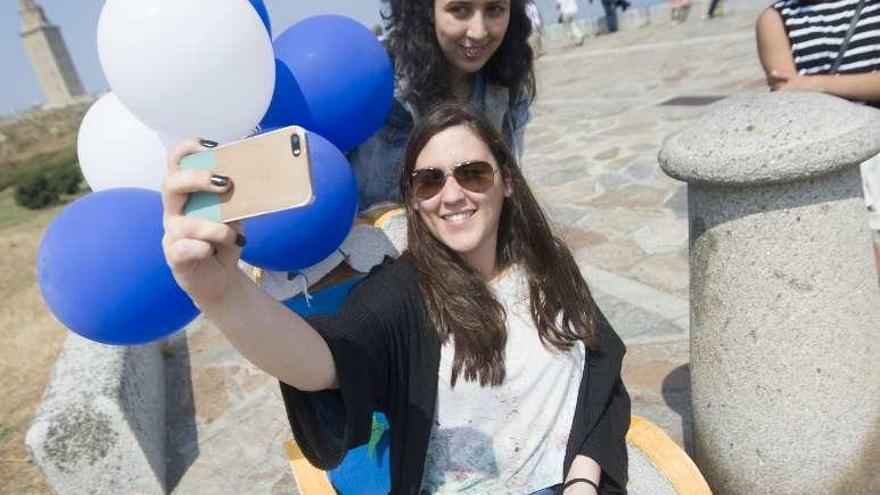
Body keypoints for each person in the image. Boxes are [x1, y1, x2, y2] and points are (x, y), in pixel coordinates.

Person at [161, 103, 630, 494]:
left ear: (506, 179)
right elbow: (326, 358)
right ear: (413, 198)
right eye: (429, 181)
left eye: (472, 173)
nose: (451, 195)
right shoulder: (402, 292)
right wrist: (222, 293)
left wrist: (583, 481)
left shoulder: (546, 264)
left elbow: (598, 375)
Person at [351, 0, 536, 210]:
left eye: (494, 9)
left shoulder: (508, 75)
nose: (478, 32)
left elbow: (507, 183)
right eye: (459, 10)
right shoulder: (373, 77)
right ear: (427, 10)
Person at [756, 0, 880, 278]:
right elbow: (787, 95)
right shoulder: (776, 18)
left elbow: (797, 88)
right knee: (856, 259)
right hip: (830, 156)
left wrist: (813, 83)